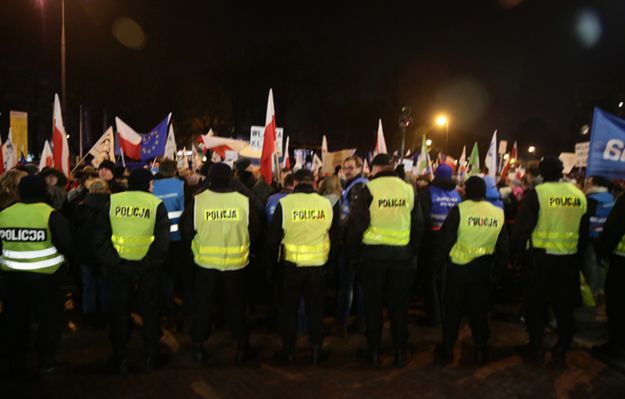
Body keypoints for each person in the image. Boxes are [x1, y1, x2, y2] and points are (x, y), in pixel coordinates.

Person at [346, 153, 424, 368]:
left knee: (373, 307)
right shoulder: (408, 189)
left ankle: (373, 353)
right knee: (399, 307)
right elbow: (418, 224)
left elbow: (356, 226)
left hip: (373, 257)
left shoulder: (369, 189)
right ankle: (400, 352)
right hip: (402, 257)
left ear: (376, 168)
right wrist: (412, 250)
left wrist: (353, 257)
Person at [181, 163, 260, 364]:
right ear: (230, 178)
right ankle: (242, 347)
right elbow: (256, 231)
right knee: (236, 307)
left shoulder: (198, 201)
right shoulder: (243, 201)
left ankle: (197, 347)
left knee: (203, 308)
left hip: (205, 265)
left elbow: (187, 231)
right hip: (236, 266)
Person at [511, 156, 588, 362]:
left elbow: (521, 229)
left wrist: (516, 256)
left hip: (539, 259)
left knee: (536, 303)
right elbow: (584, 231)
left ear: (543, 173)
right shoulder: (578, 194)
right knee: (564, 304)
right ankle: (563, 345)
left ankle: (536, 346)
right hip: (568, 259)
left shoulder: (538, 194)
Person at [94, 168, 170, 374]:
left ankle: (120, 356)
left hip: (119, 269)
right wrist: (143, 267)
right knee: (150, 312)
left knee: (119, 312)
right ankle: (151, 355)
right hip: (147, 270)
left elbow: (100, 239)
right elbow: (162, 244)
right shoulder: (156, 205)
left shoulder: (113, 202)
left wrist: (119, 265)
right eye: (152, 184)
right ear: (147, 184)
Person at [0, 175, 74, 375]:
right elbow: (67, 245)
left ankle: (16, 363)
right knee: (48, 322)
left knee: (16, 321)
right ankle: (46, 362)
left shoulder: (5, 214)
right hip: (46, 279)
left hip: (12, 279)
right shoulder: (50, 214)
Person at [265, 169, 339, 365]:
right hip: (317, 267)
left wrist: (271, 268)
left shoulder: (285, 203)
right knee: (316, 309)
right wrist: (331, 266)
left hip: (290, 267)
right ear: (314, 182)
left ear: (295, 182)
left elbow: (273, 239)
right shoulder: (327, 204)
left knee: (289, 310)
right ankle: (316, 350)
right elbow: (335, 236)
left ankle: (289, 350)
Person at [432, 176, 508, 364]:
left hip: (458, 269)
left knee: (453, 310)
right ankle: (481, 349)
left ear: (466, 191)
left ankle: (448, 349)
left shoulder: (460, 210)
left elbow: (444, 242)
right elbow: (503, 248)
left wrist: (435, 266)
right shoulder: (497, 213)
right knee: (479, 312)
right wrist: (498, 274)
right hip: (483, 270)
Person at [417, 163, 461, 326]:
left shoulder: (427, 192)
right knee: (443, 278)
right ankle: (442, 312)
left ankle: (434, 315)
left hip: (432, 239)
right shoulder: (456, 194)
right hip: (450, 240)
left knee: (429, 278)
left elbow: (422, 218)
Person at [72, 178, 112, 327]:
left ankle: (89, 312)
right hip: (105, 250)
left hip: (85, 251)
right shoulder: (112, 206)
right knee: (105, 283)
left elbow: (73, 228)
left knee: (88, 283)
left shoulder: (81, 207)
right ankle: (106, 312)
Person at [335, 156, 368, 337]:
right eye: (345, 167)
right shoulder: (355, 185)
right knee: (358, 287)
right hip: (358, 244)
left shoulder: (358, 187)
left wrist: (346, 241)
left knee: (347, 287)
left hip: (351, 245)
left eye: (350, 168)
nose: (347, 170)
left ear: (359, 168)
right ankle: (359, 322)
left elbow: (352, 219)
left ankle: (342, 324)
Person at [152, 159, 187, 330]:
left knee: (164, 279)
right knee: (181, 278)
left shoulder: (152, 187)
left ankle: (169, 315)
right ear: (174, 171)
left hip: (158, 240)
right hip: (178, 239)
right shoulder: (180, 185)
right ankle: (184, 314)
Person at [593, 191, 625, 361]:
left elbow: (613, 229)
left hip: (622, 263)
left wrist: (602, 252)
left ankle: (617, 344)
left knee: (617, 303)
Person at [583, 175, 614, 298]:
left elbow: (586, 219)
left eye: (589, 182)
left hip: (592, 235)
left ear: (595, 184)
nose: (586, 184)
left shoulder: (592, 198)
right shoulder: (610, 197)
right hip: (604, 235)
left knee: (591, 264)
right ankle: (601, 289)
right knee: (602, 264)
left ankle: (593, 292)